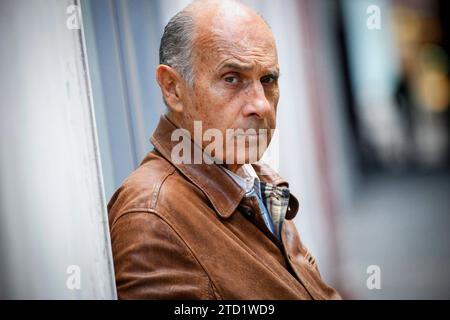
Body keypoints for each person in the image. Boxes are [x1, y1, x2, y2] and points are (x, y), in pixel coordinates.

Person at [108, 0, 341, 299]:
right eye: (232, 79)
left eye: (267, 79)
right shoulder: (152, 217)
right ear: (173, 88)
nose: (261, 105)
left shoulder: (250, 179)